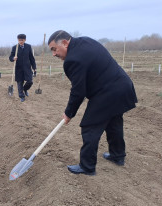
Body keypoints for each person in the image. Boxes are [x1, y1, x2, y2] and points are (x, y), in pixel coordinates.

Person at [48, 30, 138, 175]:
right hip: (122, 85)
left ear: (65, 43)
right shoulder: (86, 41)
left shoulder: (72, 60)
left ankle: (87, 166)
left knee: (90, 126)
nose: (54, 54)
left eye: (54, 49)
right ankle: (117, 156)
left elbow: (78, 91)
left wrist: (69, 113)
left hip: (107, 92)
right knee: (114, 122)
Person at [9, 34, 36, 102]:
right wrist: (13, 58)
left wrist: (34, 67)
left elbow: (31, 58)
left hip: (27, 67)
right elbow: (10, 57)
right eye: (19, 40)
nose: (20, 41)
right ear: (17, 40)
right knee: (19, 82)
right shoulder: (15, 47)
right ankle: (22, 96)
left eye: (22, 40)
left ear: (25, 40)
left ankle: (25, 89)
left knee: (30, 81)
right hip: (19, 68)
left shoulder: (28, 47)